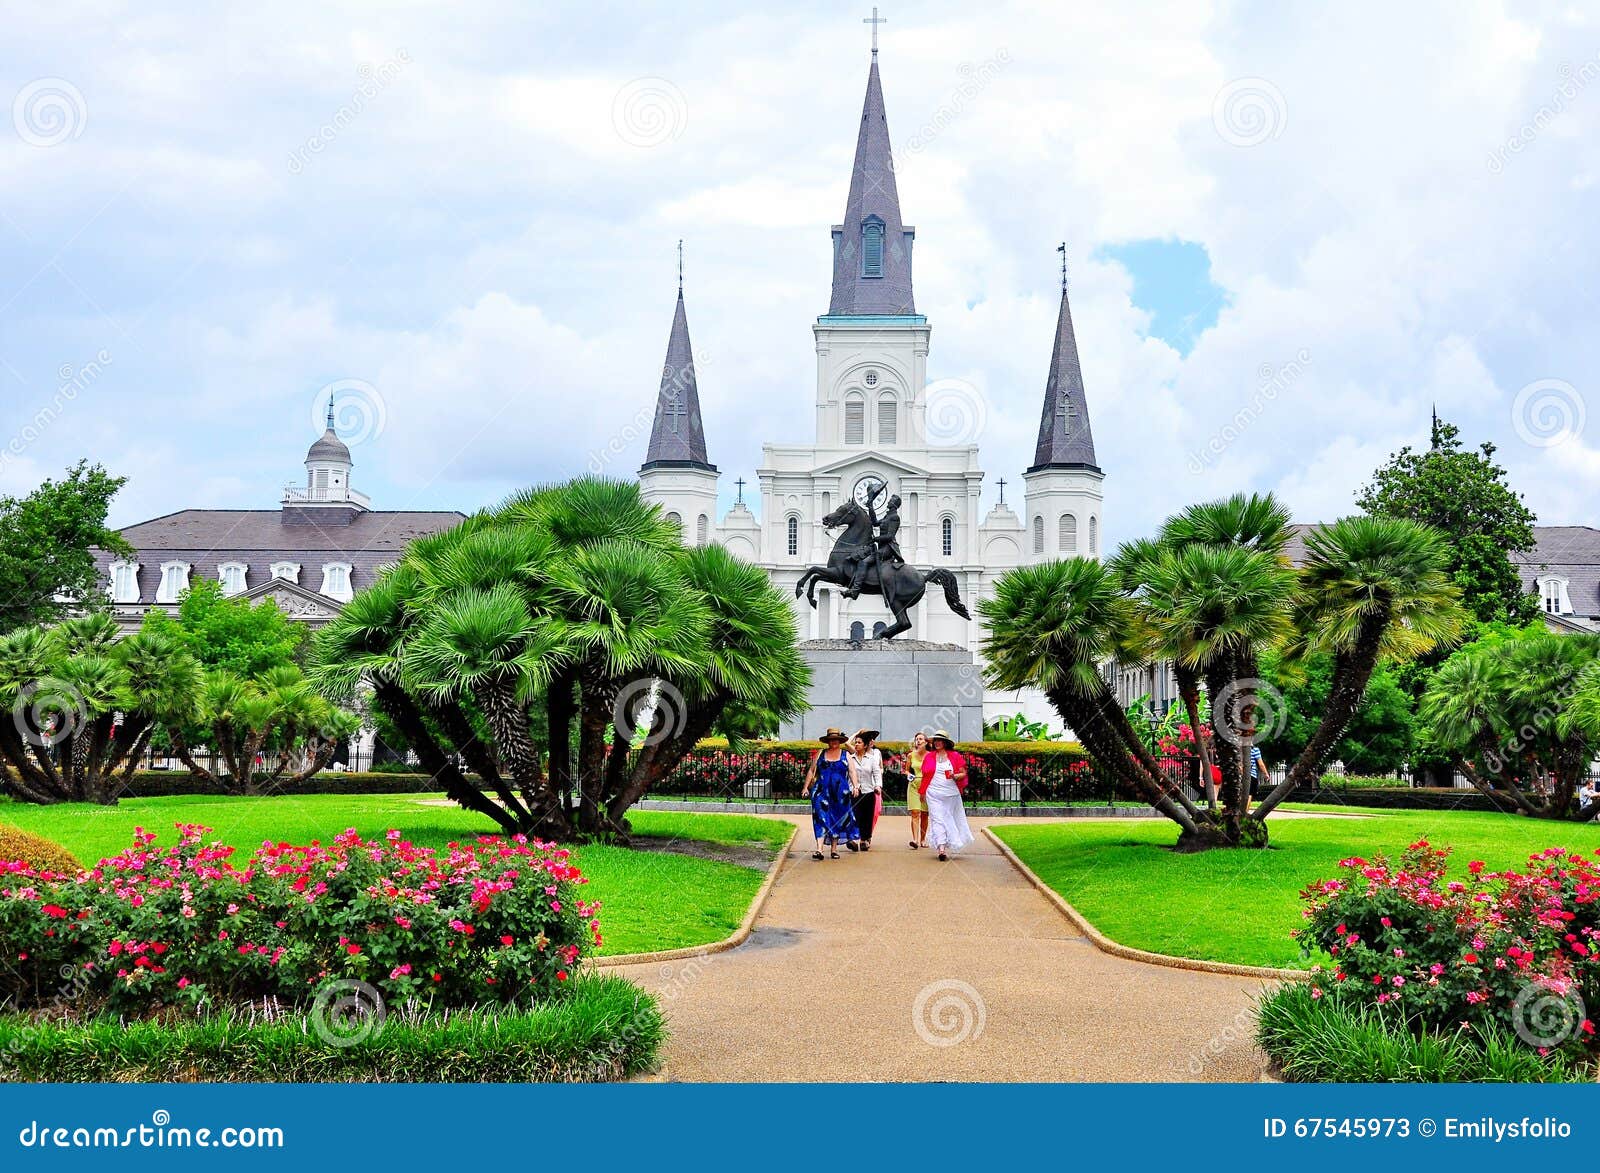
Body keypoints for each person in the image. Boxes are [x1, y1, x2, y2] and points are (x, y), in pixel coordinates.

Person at [801, 727, 859, 860]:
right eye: (831, 740)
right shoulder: (821, 753)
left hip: (840, 794)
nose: (834, 742)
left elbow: (852, 772)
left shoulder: (846, 755)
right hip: (821, 791)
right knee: (820, 818)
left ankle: (834, 849)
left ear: (839, 741)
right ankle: (819, 849)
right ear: (828, 741)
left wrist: (856, 786)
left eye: (836, 740)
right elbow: (811, 771)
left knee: (837, 819)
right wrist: (805, 788)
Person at [918, 729, 973, 861]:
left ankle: (949, 841)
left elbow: (963, 773)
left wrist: (954, 775)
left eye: (940, 740)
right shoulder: (929, 756)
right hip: (933, 793)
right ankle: (941, 848)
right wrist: (922, 791)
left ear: (945, 742)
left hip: (950, 793)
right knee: (937, 819)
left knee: (948, 818)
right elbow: (925, 776)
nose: (937, 743)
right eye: (935, 740)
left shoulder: (954, 756)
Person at [848, 729, 883, 851]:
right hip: (854, 791)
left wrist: (878, 786)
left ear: (865, 745)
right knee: (853, 815)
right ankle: (851, 839)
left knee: (867, 817)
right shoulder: (850, 758)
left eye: (859, 742)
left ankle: (864, 840)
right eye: (855, 742)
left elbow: (877, 773)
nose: (856, 744)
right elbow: (848, 775)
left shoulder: (872, 758)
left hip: (868, 791)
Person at [903, 731, 930, 849]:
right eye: (916, 739)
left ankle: (923, 839)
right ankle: (915, 840)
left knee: (924, 814)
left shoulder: (930, 755)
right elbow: (906, 770)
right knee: (915, 812)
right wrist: (909, 775)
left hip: (927, 786)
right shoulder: (911, 755)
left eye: (920, 739)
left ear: (926, 742)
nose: (918, 741)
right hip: (914, 786)